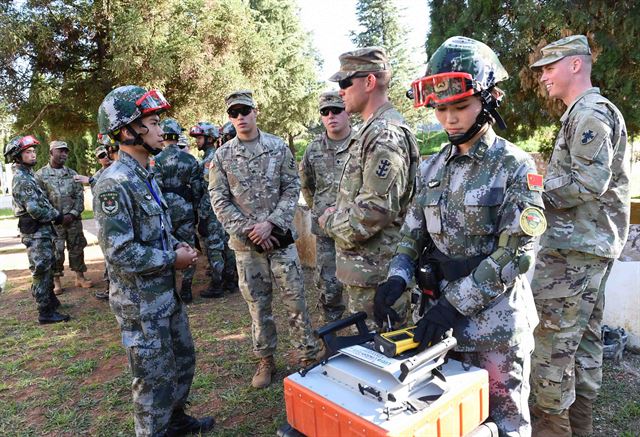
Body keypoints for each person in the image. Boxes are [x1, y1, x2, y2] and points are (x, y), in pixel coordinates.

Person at [375, 36, 546, 436]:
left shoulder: (516, 167)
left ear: (488, 101)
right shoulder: (432, 167)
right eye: (441, 109)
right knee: (450, 423)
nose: (450, 119)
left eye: (461, 107)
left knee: (503, 426)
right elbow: (411, 236)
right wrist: (397, 277)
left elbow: (515, 256)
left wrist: (453, 304)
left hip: (495, 331)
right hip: (437, 327)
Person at [95, 85, 214, 436]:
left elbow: (157, 228)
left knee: (182, 362)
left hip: (164, 295)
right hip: (140, 304)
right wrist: (171, 259)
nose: (162, 129)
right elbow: (119, 252)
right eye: (153, 121)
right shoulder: (114, 183)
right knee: (151, 380)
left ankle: (174, 421)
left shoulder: (145, 174)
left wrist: (178, 244)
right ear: (127, 130)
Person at [529, 35, 630, 437]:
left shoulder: (590, 112)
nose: (542, 78)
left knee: (551, 351)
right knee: (583, 349)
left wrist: (533, 194)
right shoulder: (583, 113)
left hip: (575, 252)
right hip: (586, 248)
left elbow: (589, 181)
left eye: (550, 67)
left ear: (575, 65)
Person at [209, 90, 319, 389]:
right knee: (258, 306)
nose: (240, 117)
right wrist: (250, 229)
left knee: (295, 300)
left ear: (255, 111)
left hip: (280, 241)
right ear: (229, 118)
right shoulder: (222, 156)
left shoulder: (277, 147)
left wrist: (271, 223)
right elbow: (218, 199)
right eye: (234, 113)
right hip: (247, 248)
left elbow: (291, 185)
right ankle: (266, 359)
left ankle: (306, 356)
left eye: (245, 110)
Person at [318, 47, 420, 330]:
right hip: (366, 274)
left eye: (344, 83)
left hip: (377, 278)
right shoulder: (372, 130)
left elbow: (373, 212)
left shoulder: (384, 134)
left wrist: (329, 221)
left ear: (369, 82)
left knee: (379, 360)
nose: (340, 92)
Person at [4, 135, 70, 324]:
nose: (33, 155)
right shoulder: (22, 179)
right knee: (41, 270)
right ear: (17, 156)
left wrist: (53, 213)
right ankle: (45, 312)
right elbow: (35, 210)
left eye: (33, 151)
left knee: (48, 266)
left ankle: (50, 300)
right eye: (28, 152)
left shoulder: (29, 175)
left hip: (42, 231)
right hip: (35, 232)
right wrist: (56, 216)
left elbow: (43, 203)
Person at [299, 91, 352, 323]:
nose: (331, 116)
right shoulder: (313, 150)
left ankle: (367, 338)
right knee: (328, 284)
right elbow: (307, 185)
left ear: (347, 111)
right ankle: (332, 335)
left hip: (357, 228)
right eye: (325, 112)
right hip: (325, 232)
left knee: (364, 285)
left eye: (336, 110)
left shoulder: (362, 144)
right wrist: (319, 209)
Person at [154, 118, 203, 303]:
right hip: (186, 210)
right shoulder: (190, 160)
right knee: (188, 246)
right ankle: (187, 289)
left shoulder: (156, 161)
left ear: (164, 135)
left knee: (167, 247)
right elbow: (197, 188)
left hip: (165, 212)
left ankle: (170, 289)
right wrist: (195, 207)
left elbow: (155, 188)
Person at [36, 140, 93, 293]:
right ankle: (56, 281)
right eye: (60, 151)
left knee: (77, 247)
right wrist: (57, 216)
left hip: (73, 220)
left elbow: (79, 197)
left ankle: (80, 277)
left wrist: (73, 214)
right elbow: (41, 201)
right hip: (54, 222)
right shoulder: (40, 175)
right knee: (56, 251)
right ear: (51, 152)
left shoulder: (73, 174)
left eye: (66, 151)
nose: (64, 154)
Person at [189, 121, 231, 297]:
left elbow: (208, 192)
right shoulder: (217, 156)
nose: (197, 141)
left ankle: (217, 284)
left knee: (214, 248)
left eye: (199, 137)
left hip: (213, 212)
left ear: (209, 138)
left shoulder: (209, 160)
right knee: (225, 246)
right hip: (221, 211)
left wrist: (204, 217)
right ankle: (230, 281)